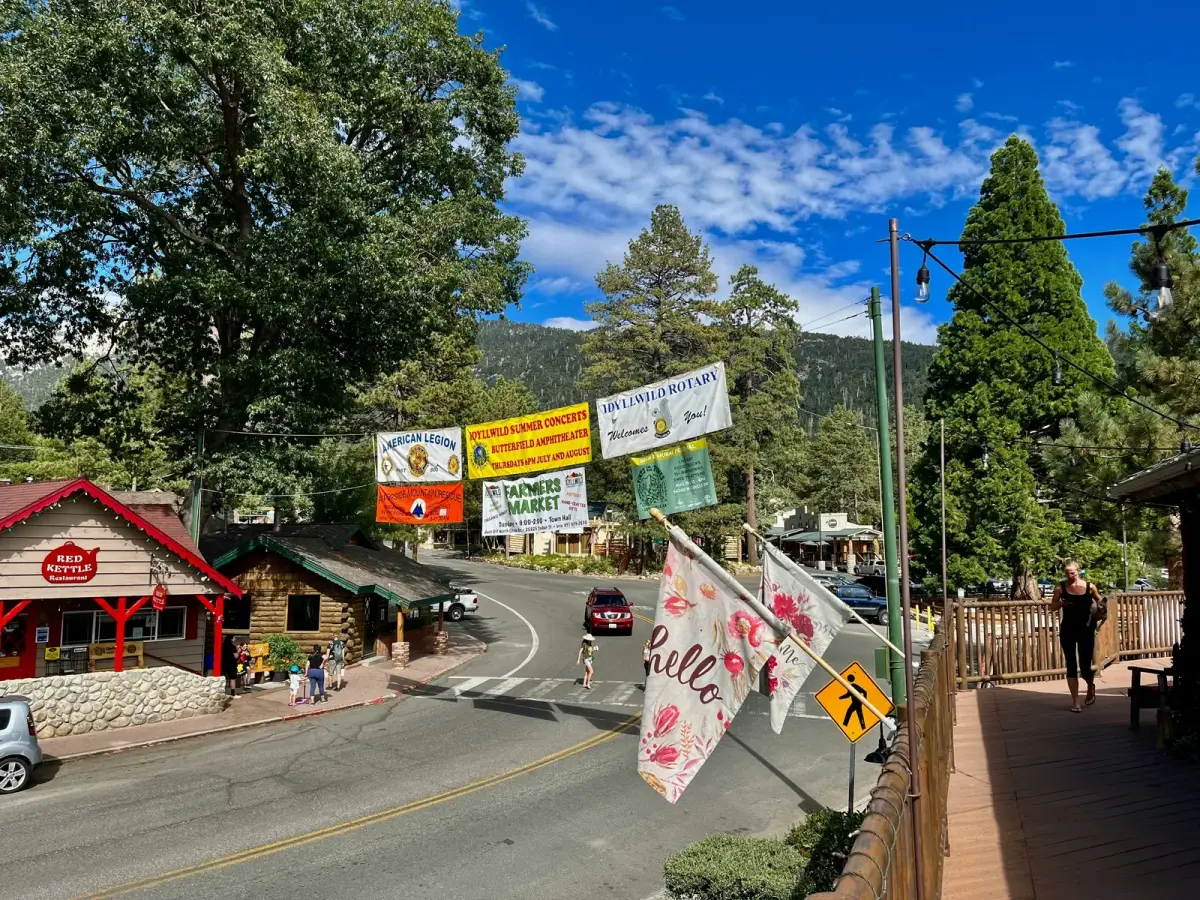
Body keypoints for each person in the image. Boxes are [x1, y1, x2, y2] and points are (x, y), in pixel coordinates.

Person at [1050, 559, 1104, 712]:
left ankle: (1089, 687)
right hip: (1068, 628)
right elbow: (1052, 607)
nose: (1070, 576)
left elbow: (1101, 602)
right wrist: (1061, 604)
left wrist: (1101, 610)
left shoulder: (1089, 587)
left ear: (1078, 571)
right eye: (1067, 573)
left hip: (1086, 629)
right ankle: (1076, 702)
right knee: (1071, 664)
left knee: (1085, 665)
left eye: (1072, 573)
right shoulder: (1060, 587)